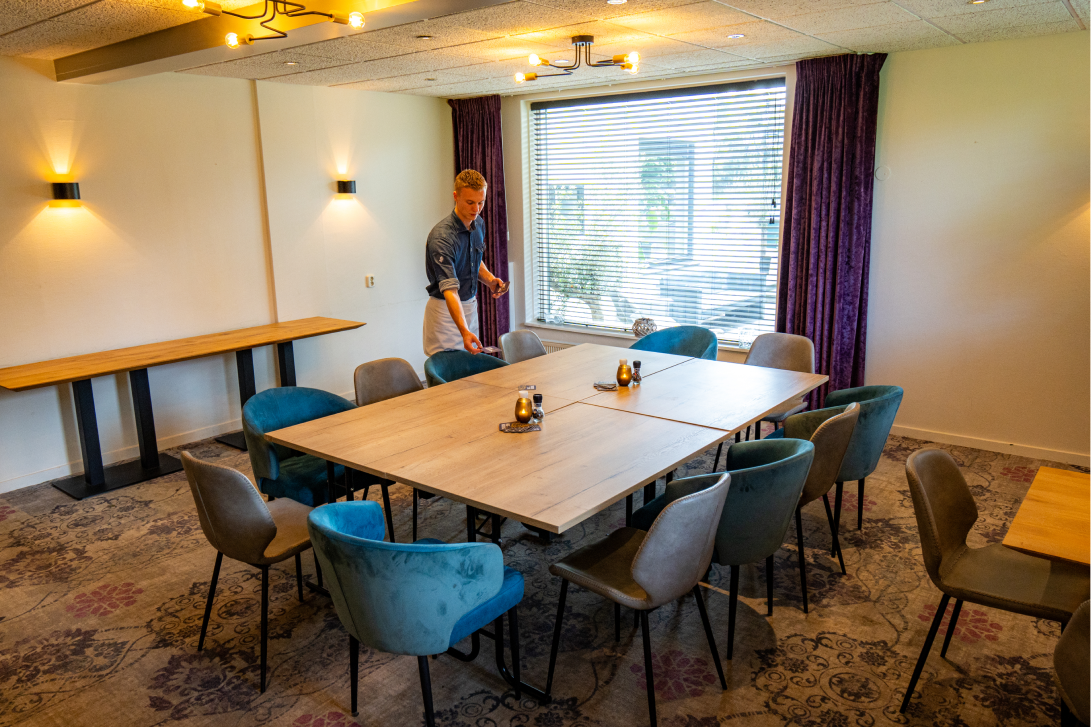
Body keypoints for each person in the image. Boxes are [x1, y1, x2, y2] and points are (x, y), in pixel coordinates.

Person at [423, 169, 507, 356]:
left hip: (469, 306)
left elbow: (474, 260)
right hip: (445, 310)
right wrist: (463, 330)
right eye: (470, 203)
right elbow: (450, 291)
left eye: (481, 202)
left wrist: (490, 280)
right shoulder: (442, 237)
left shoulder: (478, 224)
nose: (476, 209)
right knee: (448, 373)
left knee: (470, 371)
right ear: (456, 196)